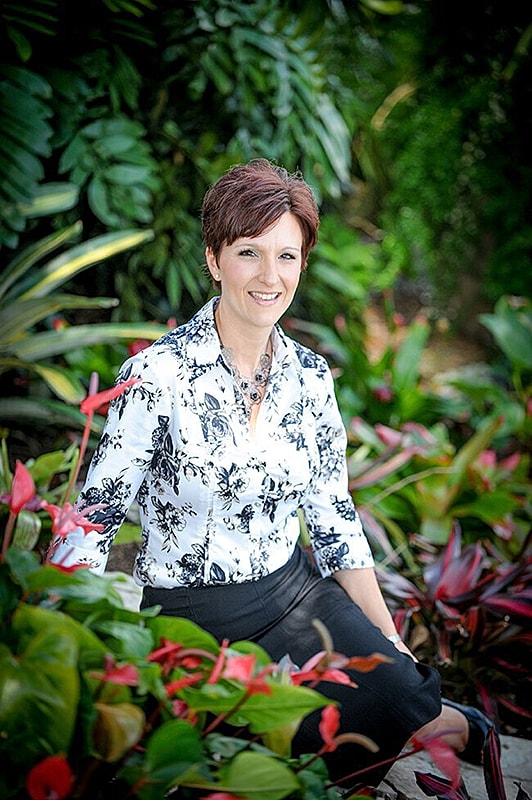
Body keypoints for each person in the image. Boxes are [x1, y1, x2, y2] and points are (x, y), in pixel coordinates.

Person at [49, 158, 498, 791]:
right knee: (275, 745)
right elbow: (94, 518)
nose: (269, 276)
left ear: (302, 265)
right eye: (249, 252)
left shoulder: (311, 377)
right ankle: (442, 721)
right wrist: (57, 636)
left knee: (395, 686)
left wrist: (390, 641)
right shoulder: (157, 375)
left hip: (293, 593)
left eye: (287, 257)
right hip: (190, 614)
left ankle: (430, 715)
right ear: (214, 258)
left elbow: (334, 521)